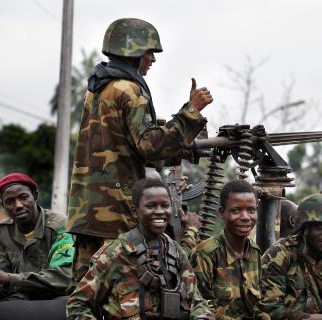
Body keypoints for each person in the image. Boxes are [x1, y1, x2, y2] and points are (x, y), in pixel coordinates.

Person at [67, 17, 214, 282]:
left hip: (87, 211)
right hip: (117, 211)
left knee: (86, 289)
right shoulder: (130, 90)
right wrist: (191, 112)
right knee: (122, 290)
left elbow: (121, 139)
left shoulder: (100, 87)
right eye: (149, 52)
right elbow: (148, 146)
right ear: (132, 51)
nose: (152, 60)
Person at [66, 178, 213, 320]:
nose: (160, 211)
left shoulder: (175, 251)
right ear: (135, 212)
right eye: (151, 206)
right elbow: (78, 304)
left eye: (165, 205)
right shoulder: (114, 253)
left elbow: (197, 303)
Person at [0, 173, 74, 320]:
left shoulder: (60, 227)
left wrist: (9, 278)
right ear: (3, 206)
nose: (18, 205)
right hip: (20, 298)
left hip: (56, 298)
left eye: (23, 197)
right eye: (10, 201)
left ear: (35, 196)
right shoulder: (4, 231)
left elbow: (63, 277)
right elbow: (0, 282)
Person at [190, 180, 269, 320]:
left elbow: (257, 304)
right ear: (222, 213)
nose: (245, 217)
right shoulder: (206, 253)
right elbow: (199, 309)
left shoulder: (254, 252)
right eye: (236, 210)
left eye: (251, 210)